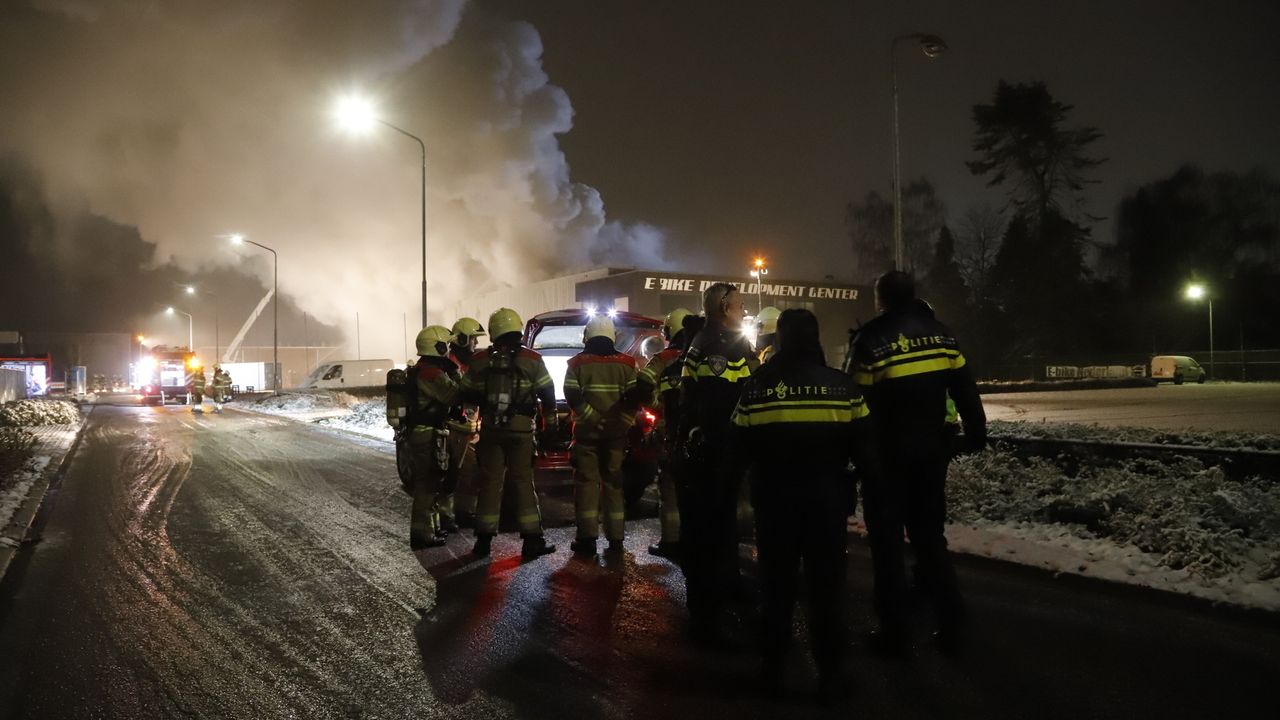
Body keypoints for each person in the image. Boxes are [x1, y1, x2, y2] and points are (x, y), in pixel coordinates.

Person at [728, 308, 880, 701]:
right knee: (827, 590)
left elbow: (735, 450)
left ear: (780, 338)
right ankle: (830, 676)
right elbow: (868, 454)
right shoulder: (843, 388)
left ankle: (772, 672)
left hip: (775, 506)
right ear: (815, 338)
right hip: (826, 507)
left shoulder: (757, 388)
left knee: (776, 589)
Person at [845, 270, 986, 655]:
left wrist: (851, 458)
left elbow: (854, 405)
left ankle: (895, 633)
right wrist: (976, 433)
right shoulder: (942, 334)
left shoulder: (870, 339)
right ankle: (952, 622)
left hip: (886, 461)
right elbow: (965, 388)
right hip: (930, 456)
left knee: (887, 547)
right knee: (929, 539)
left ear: (881, 299)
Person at [677, 282, 759, 644]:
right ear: (725, 307)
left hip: (715, 448)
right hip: (717, 449)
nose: (743, 310)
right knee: (712, 525)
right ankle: (708, 616)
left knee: (722, 522)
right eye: (740, 304)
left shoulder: (709, 339)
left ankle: (728, 584)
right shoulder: (717, 345)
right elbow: (718, 400)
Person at [459, 307, 557, 560]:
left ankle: (483, 541)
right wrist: (550, 424)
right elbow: (547, 392)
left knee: (490, 483)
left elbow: (465, 393)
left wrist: (486, 398)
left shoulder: (480, 360)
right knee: (523, 481)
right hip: (522, 430)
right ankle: (532, 540)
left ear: (494, 331)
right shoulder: (533, 359)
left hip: (492, 429)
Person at [564, 314, 638, 556]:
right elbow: (633, 399)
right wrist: (621, 424)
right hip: (616, 436)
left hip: (586, 435)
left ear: (587, 336)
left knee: (587, 484)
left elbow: (573, 397)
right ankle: (616, 539)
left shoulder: (576, 364)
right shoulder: (628, 364)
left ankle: (587, 539)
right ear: (612, 336)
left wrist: (593, 419)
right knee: (614, 484)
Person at [634, 308, 694, 559]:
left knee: (669, 487)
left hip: (669, 429)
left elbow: (643, 384)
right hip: (697, 432)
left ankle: (671, 542)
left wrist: (653, 405)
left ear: (670, 331)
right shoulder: (702, 354)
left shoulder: (662, 358)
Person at [400, 326, 466, 550]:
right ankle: (422, 534)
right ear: (436, 346)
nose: (448, 349)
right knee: (427, 484)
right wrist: (455, 372)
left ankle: (433, 527)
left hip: (426, 432)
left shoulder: (423, 369)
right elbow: (453, 395)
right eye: (445, 345)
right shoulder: (430, 372)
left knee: (434, 480)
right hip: (426, 434)